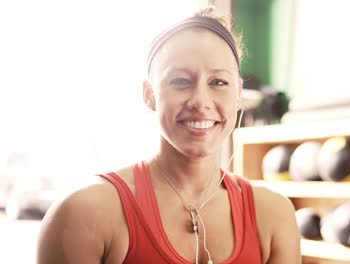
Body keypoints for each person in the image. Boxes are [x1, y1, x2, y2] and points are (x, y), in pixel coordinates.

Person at [37, 7, 301, 264]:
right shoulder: (84, 213)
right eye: (180, 81)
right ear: (149, 94)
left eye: (218, 82)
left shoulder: (274, 214)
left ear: (238, 94)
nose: (200, 100)